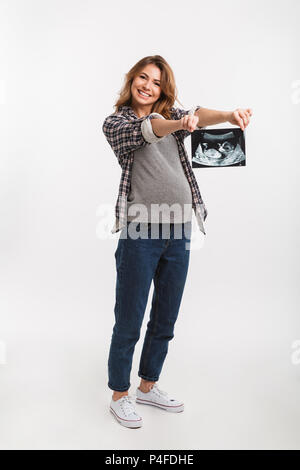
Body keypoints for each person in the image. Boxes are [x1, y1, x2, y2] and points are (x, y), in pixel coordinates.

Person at [102, 55, 252, 428]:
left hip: (178, 230)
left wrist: (231, 116)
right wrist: (179, 122)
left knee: (165, 317)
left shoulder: (175, 118)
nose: (148, 86)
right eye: (142, 77)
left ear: (163, 89)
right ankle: (120, 394)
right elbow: (151, 129)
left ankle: (148, 386)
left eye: (156, 82)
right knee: (129, 321)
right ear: (131, 80)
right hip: (140, 233)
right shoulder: (117, 122)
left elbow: (198, 113)